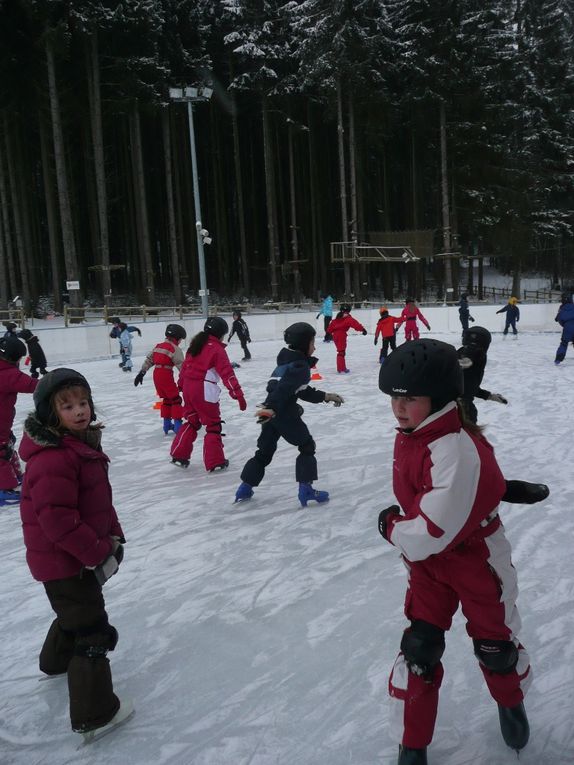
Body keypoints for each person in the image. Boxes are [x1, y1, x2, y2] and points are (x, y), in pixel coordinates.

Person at [377, 339, 549, 765]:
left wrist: (389, 524)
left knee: (494, 645)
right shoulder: (419, 432)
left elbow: (428, 530)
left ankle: (510, 702)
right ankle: (412, 743)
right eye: (395, 398)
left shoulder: (453, 446)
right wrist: (504, 489)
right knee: (420, 648)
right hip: (431, 568)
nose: (399, 408)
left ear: (437, 400)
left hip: (475, 559)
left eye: (410, 398)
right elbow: (445, 491)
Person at [18, 368, 131, 740]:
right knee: (92, 630)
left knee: (73, 613)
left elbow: (96, 500)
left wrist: (113, 534)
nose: (80, 411)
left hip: (70, 559)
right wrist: (98, 552)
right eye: (67, 406)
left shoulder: (78, 445)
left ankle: (54, 662)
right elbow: (58, 522)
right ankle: (95, 713)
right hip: (66, 562)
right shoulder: (53, 458)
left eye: (83, 403)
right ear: (52, 414)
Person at [234, 322, 344, 506]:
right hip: (281, 413)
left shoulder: (285, 362)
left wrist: (325, 396)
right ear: (303, 344)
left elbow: (292, 389)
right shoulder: (300, 367)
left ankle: (245, 487)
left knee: (264, 452)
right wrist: (277, 408)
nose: (314, 346)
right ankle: (306, 490)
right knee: (307, 445)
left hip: (270, 412)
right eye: (312, 342)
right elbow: (285, 390)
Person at [170, 317, 246, 472]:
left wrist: (181, 385)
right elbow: (227, 373)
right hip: (203, 390)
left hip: (189, 388)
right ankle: (215, 462)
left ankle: (179, 454)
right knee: (212, 425)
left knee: (192, 421)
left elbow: (185, 368)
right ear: (220, 334)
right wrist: (238, 394)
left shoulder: (195, 345)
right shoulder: (217, 349)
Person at [0, 335, 37, 505]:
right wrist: (54, 383)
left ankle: (16, 476)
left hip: (3, 421)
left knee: (7, 445)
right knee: (1, 452)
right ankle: (5, 489)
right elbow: (31, 385)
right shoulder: (8, 374)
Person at [134, 324, 186, 434]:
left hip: (156, 375)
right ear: (177, 338)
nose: (180, 341)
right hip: (165, 375)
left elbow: (149, 360)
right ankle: (178, 426)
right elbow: (182, 367)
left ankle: (166, 425)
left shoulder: (158, 346)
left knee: (167, 399)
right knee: (176, 399)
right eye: (180, 339)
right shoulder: (175, 349)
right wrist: (189, 379)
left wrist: (142, 373)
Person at [457, 326, 508, 423]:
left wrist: (488, 396)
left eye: (477, 347)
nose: (471, 350)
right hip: (453, 408)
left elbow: (469, 387)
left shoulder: (479, 358)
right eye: (468, 346)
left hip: (462, 408)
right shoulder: (462, 354)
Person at [326, 303, 367, 373]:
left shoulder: (337, 318)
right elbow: (355, 324)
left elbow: (330, 328)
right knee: (341, 352)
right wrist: (363, 329)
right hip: (341, 335)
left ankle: (341, 368)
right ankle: (341, 369)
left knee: (340, 351)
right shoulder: (348, 318)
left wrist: (328, 334)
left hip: (335, 335)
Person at [553, 294, 574, 365]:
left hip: (568, 328)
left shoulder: (562, 308)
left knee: (564, 343)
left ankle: (558, 359)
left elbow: (558, 318)